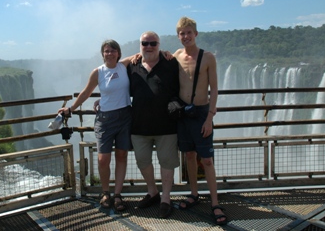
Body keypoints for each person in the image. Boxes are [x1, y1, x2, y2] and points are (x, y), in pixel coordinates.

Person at [58, 39, 132, 211]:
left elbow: (141, 54)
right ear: (102, 54)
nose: (110, 53)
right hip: (105, 119)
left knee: (122, 156)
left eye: (113, 50)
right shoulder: (98, 72)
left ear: (118, 53)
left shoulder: (124, 66)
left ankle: (118, 194)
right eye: (106, 51)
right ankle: (105, 192)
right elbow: (86, 92)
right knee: (103, 158)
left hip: (125, 117)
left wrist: (166, 53)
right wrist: (72, 109)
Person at [173, 16, 227, 225]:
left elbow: (214, 89)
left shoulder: (208, 57)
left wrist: (210, 117)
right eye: (182, 33)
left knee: (207, 160)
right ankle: (194, 193)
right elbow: (148, 57)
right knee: (188, 155)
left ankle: (215, 202)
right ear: (178, 36)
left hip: (202, 113)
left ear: (195, 34)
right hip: (183, 115)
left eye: (189, 32)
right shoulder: (176, 56)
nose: (186, 36)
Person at [128, 31, 180, 219]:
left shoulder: (170, 63)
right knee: (142, 160)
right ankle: (152, 192)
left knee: (167, 162)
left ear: (159, 45)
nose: (149, 46)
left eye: (153, 43)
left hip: (166, 125)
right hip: (139, 125)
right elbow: (113, 66)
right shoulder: (132, 65)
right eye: (145, 43)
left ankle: (166, 198)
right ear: (140, 45)